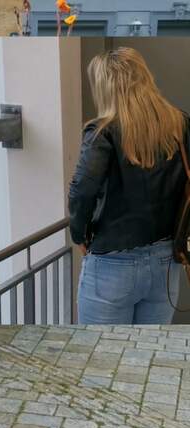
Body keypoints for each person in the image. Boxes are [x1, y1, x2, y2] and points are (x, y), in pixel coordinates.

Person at [68, 47, 190, 324]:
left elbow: (82, 189)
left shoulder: (102, 131)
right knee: (148, 347)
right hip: (166, 261)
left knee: (102, 348)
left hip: (112, 262)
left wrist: (79, 235)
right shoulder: (180, 124)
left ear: (106, 87)